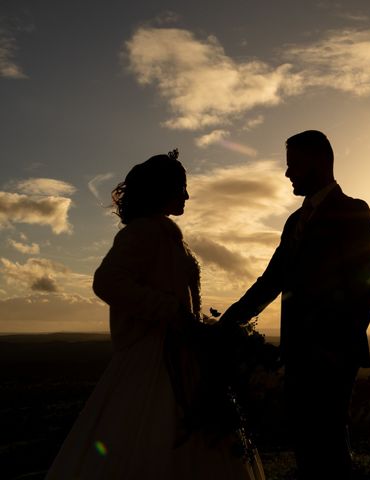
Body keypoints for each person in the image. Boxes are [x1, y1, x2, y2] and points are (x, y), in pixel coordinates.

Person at [46, 151, 264, 480]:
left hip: (183, 358)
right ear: (160, 189)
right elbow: (106, 281)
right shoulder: (142, 232)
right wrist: (169, 311)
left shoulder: (168, 235)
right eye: (181, 187)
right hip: (153, 362)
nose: (187, 195)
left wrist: (202, 326)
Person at [221, 130, 370, 479]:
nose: (287, 173)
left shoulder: (353, 211)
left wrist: (337, 348)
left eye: (293, 164)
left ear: (319, 161)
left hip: (333, 354)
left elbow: (366, 286)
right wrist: (227, 322)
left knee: (330, 444)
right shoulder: (294, 222)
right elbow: (271, 281)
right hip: (297, 354)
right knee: (307, 446)